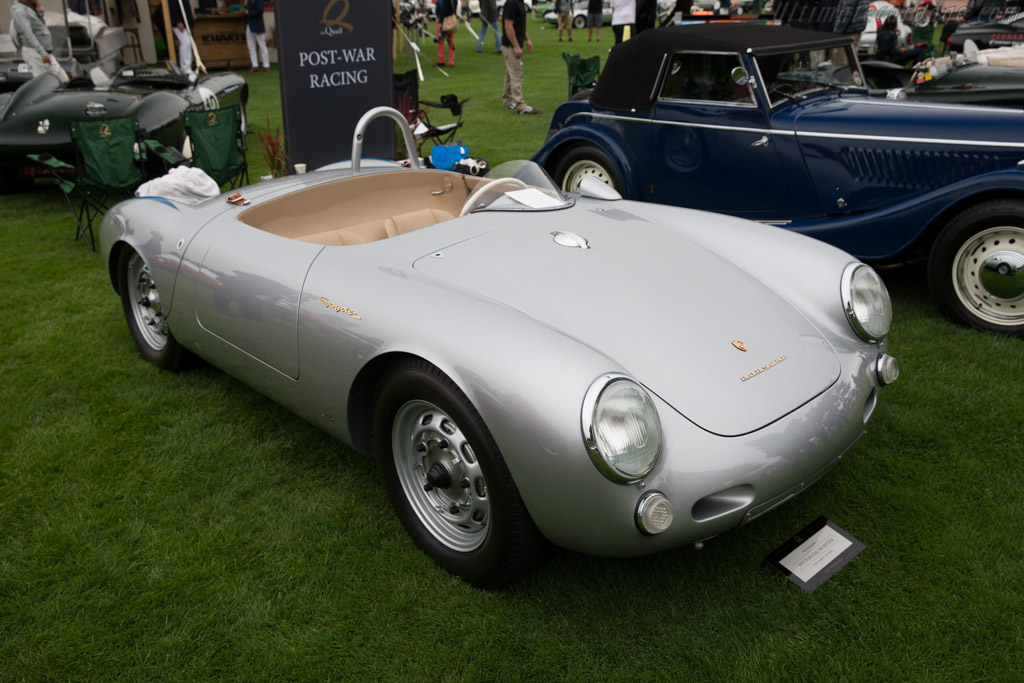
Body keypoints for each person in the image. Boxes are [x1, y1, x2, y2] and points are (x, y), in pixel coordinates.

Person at [10, 0, 69, 84]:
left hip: (44, 52)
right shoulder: (19, 10)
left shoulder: (29, 8)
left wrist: (40, 13)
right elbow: (28, 33)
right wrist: (42, 53)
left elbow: (39, 27)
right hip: (34, 52)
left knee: (63, 79)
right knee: (42, 83)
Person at [501, 0, 539, 114]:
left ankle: (507, 101)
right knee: (517, 75)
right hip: (510, 46)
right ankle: (520, 105)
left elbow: (519, 24)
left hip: (514, 44)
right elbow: (508, 25)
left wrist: (527, 39)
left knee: (510, 73)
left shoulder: (520, 2)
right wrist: (516, 46)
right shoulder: (511, 3)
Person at [169, 0, 196, 75]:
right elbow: (172, 7)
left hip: (184, 21)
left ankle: (186, 67)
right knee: (186, 43)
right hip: (179, 23)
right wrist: (178, 21)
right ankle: (185, 67)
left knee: (187, 43)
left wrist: (190, 15)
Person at [243, 0, 270, 72]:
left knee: (262, 45)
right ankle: (255, 65)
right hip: (249, 25)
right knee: (251, 46)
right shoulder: (248, 1)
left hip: (257, 25)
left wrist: (248, 12)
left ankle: (266, 65)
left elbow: (260, 11)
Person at [436, 0, 456, 67]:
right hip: (451, 20)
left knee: (440, 40)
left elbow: (443, 10)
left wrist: (441, 22)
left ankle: (441, 60)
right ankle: (451, 61)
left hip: (444, 20)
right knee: (451, 40)